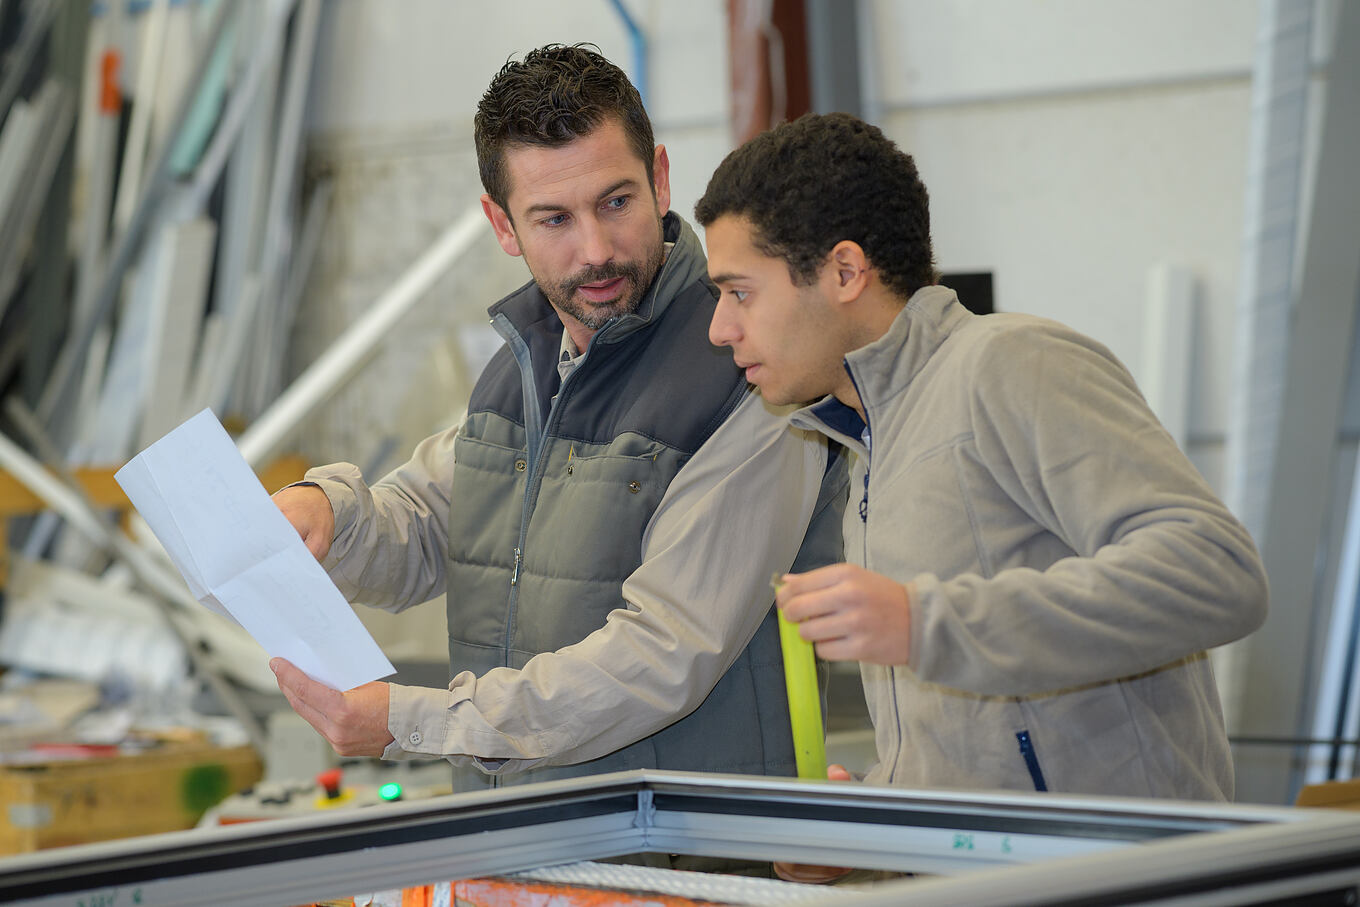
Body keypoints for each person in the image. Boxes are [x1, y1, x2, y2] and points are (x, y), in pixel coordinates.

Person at [269, 46, 847, 793]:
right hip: (524, 841)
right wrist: (329, 515)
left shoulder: (746, 374)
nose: (597, 250)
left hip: (682, 855)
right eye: (554, 219)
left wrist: (419, 720)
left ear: (661, 179)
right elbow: (422, 528)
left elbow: (661, 655)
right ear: (502, 225)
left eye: (616, 202)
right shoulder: (522, 368)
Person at [694, 112, 1268, 801]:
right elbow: (977, 736)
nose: (720, 328)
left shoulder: (1011, 363)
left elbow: (1218, 571)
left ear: (845, 270)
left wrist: (922, 620)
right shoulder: (864, 442)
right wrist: (867, 823)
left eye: (739, 293)